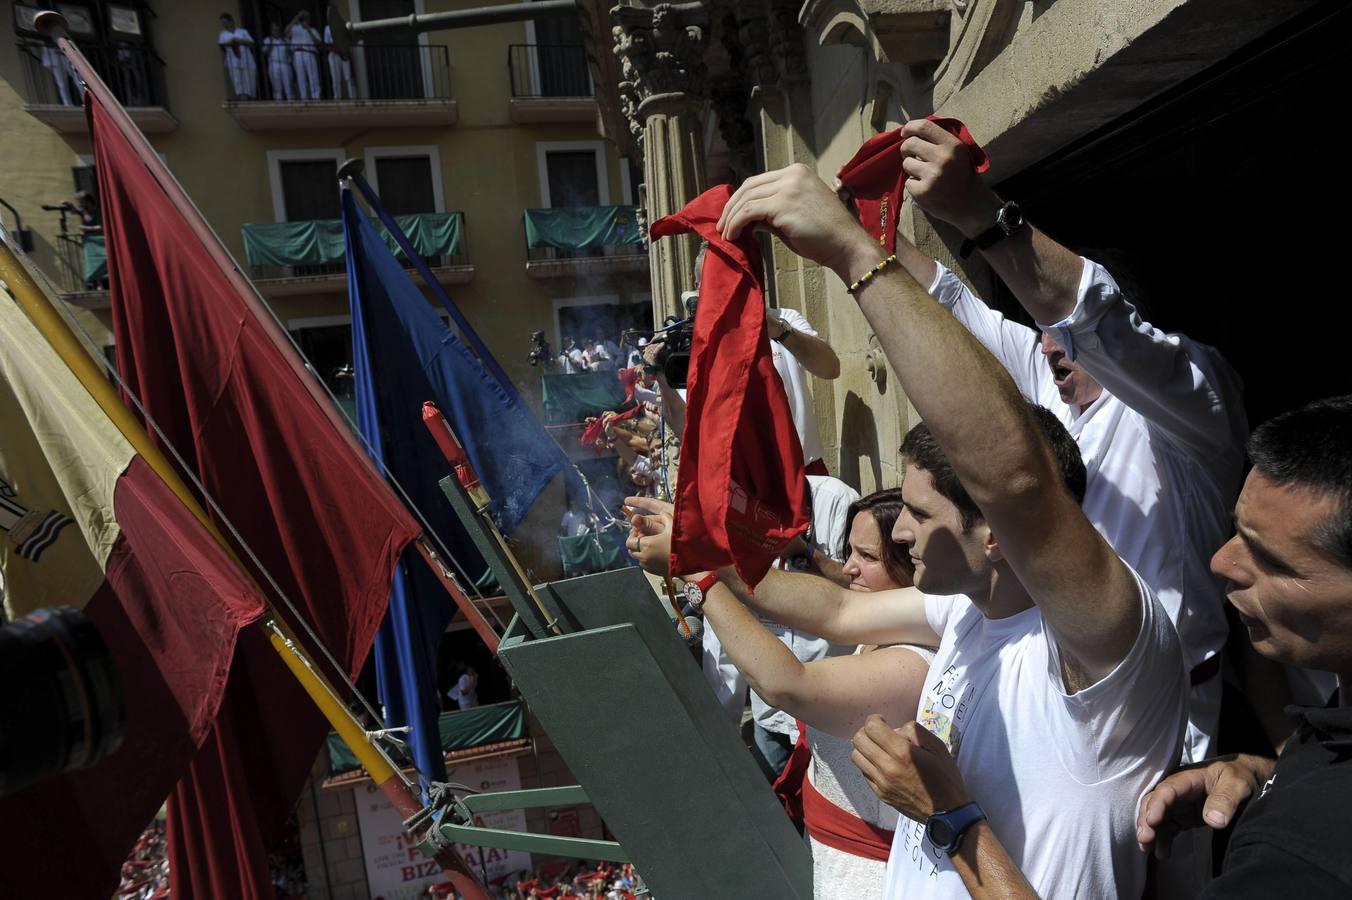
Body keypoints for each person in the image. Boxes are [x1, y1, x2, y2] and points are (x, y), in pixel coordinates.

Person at [685, 161, 1188, 899]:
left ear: (997, 534)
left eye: (922, 517)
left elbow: (1015, 477)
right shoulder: (967, 609)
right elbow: (837, 609)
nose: (902, 539)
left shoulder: (1100, 651)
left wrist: (859, 257)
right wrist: (706, 564)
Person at [873, 119, 1247, 773]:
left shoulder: (1190, 406)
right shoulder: (1054, 388)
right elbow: (955, 306)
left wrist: (976, 210)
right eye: (1041, 332)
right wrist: (863, 228)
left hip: (1160, 736)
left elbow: (1088, 318)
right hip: (1053, 711)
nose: (1047, 345)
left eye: (1059, 332)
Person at [629, 489, 932, 900]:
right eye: (849, 553)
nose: (848, 569)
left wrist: (699, 575)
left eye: (868, 557)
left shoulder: (912, 661)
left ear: (911, 566)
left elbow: (787, 684)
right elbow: (834, 607)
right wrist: (697, 544)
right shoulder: (882, 634)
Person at [1136, 396, 1352, 897]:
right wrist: (1278, 778)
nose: (1221, 562)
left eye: (1271, 560)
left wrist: (957, 823)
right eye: (1237, 531)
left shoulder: (1300, 857)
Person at [766, 306, 839, 476]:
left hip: (804, 468)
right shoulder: (707, 333)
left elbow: (831, 368)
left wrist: (780, 331)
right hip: (746, 478)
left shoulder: (785, 318)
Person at [217, 14, 257, 100]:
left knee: (249, 79)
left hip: (246, 59)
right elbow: (222, 46)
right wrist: (231, 42)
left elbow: (251, 42)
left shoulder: (242, 32)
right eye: (222, 23)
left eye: (225, 22)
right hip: (233, 60)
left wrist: (240, 41)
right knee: (237, 80)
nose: (224, 25)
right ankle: (240, 99)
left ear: (231, 21)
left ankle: (250, 98)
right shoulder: (222, 34)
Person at [286, 10, 322, 101]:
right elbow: (286, 31)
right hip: (297, 54)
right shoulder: (295, 28)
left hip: (309, 53)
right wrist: (297, 17)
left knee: (313, 77)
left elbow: (318, 43)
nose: (305, 18)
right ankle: (304, 99)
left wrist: (309, 30)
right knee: (300, 78)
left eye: (307, 16)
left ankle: (316, 98)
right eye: (304, 16)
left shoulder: (313, 30)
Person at [322, 11, 355, 100]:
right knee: (335, 79)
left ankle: (352, 98)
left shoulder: (343, 26)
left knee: (348, 78)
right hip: (333, 54)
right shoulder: (327, 28)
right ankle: (337, 99)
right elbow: (326, 44)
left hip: (344, 53)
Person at [40, 39, 82, 106]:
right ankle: (68, 105)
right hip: (56, 57)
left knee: (78, 80)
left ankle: (84, 100)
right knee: (63, 84)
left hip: (65, 56)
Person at [261, 22, 294, 101]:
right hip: (274, 64)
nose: (275, 31)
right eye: (274, 30)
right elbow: (265, 52)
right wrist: (271, 43)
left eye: (277, 30)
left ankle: (291, 104)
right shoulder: (267, 39)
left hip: (285, 64)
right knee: (277, 88)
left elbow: (291, 51)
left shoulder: (285, 40)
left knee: (288, 86)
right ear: (271, 31)